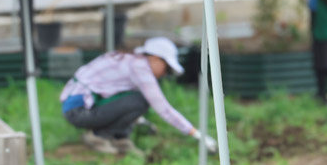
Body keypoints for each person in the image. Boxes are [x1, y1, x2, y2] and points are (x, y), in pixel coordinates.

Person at [60, 36, 217, 156]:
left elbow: (114, 98)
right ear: (155, 58)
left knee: (137, 99)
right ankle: (98, 136)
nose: (165, 74)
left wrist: (141, 121)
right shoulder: (139, 67)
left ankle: (119, 138)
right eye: (166, 68)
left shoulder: (131, 61)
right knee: (140, 100)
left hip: (78, 107)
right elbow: (163, 109)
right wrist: (198, 135)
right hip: (78, 111)